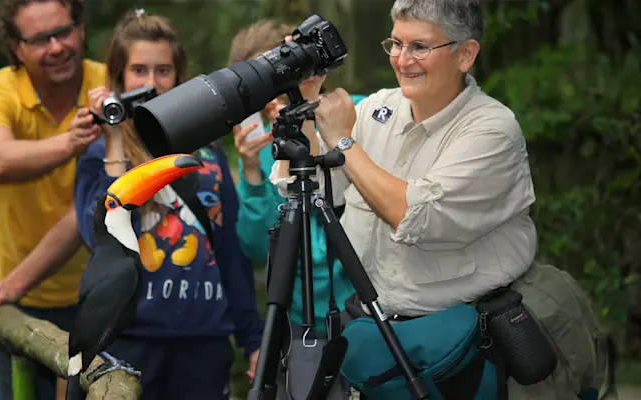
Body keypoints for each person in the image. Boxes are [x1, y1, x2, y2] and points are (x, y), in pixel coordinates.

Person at [270, 0, 609, 398]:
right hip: (380, 337)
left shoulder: (492, 130)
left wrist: (344, 141)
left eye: (419, 46)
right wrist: (307, 101)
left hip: (471, 344)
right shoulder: (378, 108)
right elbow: (312, 182)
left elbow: (414, 216)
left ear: (465, 53)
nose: (402, 59)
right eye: (395, 43)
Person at [72, 9, 263, 399]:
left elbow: (229, 252)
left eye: (163, 71)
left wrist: (254, 338)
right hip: (129, 342)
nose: (151, 82)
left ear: (178, 76)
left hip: (204, 340)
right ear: (118, 78)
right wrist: (112, 141)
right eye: (139, 70)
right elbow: (99, 245)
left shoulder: (207, 155)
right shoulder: (98, 156)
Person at [0, 0, 104, 398]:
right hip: (14, 293)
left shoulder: (109, 84)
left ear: (82, 28)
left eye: (64, 31)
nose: (57, 47)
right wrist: (71, 142)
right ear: (16, 47)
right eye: (40, 39)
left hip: (104, 296)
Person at [228, 19, 366, 400]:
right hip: (302, 324)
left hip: (363, 310)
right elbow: (260, 249)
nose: (273, 98)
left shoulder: (349, 115)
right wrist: (253, 175)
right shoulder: (269, 146)